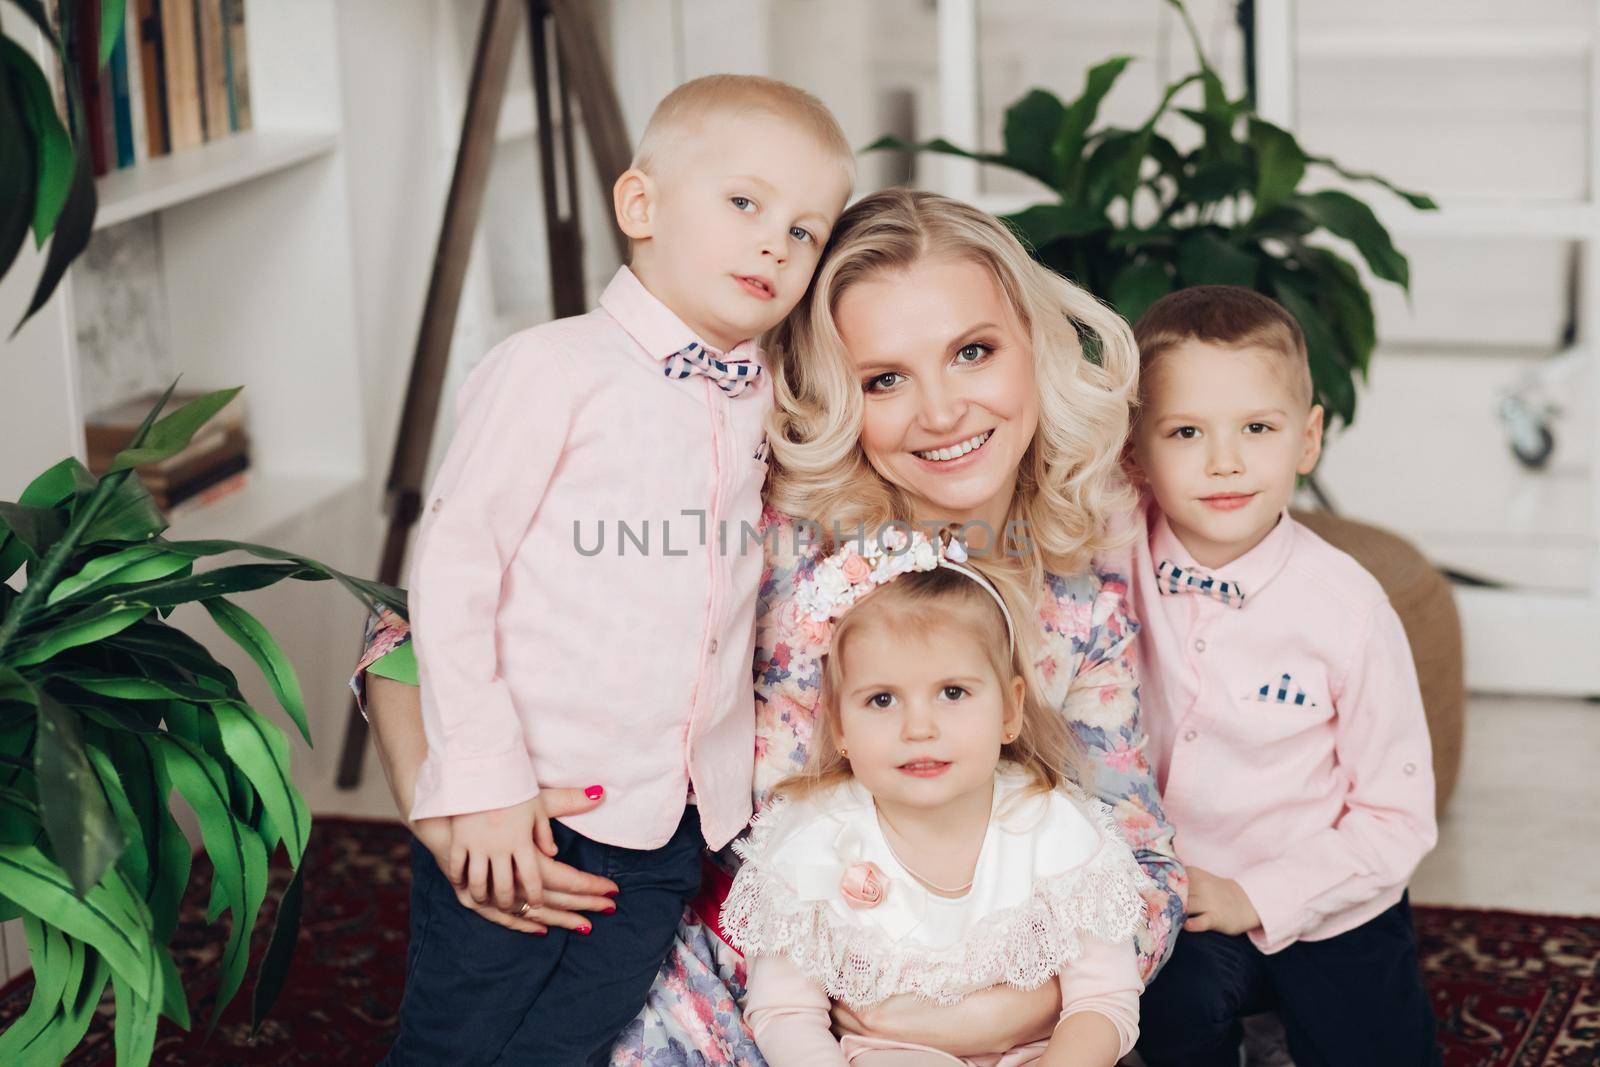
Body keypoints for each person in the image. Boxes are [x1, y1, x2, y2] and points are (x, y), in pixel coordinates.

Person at [355, 188, 1185, 1063]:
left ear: (1035, 347)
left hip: (1019, 1009)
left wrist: (997, 1014)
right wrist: (449, 803)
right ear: (833, 393)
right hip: (730, 977)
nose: (941, 413)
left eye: (972, 352)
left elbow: (1144, 866)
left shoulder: (1081, 587)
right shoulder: (752, 531)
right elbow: (406, 628)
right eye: (885, 379)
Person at [379, 73, 854, 1064]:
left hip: (672, 818)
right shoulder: (551, 369)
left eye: (806, 230)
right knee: (459, 1034)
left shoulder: (768, 400)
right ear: (640, 206)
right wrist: (478, 777)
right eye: (744, 203)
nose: (776, 241)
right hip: (528, 801)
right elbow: (455, 572)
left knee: (572, 1039)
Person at [1121, 286, 1441, 1066]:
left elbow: (1397, 816)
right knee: (1173, 1014)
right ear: (1134, 451)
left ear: (1308, 438)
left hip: (1329, 891)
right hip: (1182, 897)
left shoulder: (1349, 608)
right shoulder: (1112, 555)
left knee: (1380, 1047)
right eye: (1186, 430)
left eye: (1258, 429)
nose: (1225, 461)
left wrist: (1258, 897)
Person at [727, 527, 1149, 1066]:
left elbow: (1103, 999)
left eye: (953, 693)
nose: (918, 728)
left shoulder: (1054, 827)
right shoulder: (813, 838)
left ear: (1009, 711)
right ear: (839, 728)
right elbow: (784, 1012)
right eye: (882, 700)